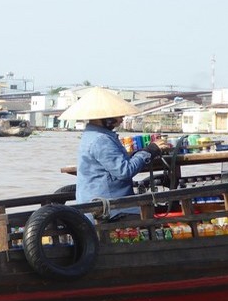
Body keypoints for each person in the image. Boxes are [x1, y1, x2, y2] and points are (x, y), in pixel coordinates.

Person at [63, 87, 170, 220]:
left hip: (103, 203)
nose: (121, 119)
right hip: (108, 208)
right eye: (118, 116)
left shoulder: (94, 135)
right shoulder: (101, 140)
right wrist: (150, 150)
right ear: (104, 117)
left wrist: (143, 152)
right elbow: (124, 171)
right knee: (154, 221)